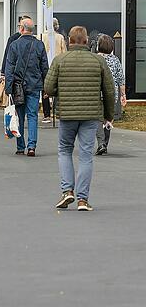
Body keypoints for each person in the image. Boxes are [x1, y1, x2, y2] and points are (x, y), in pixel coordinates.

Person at [44, 26, 115, 212]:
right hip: (91, 116)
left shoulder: (60, 60)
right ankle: (83, 200)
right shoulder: (98, 61)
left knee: (65, 151)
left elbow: (49, 88)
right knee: (85, 156)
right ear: (86, 42)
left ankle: (67, 190)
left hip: (67, 114)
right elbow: (109, 91)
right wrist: (109, 115)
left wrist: (62, 91)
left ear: (69, 41)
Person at [4, 18, 49, 157]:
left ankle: (20, 146)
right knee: (33, 116)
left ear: (22, 29)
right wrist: (46, 87)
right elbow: (44, 68)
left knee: (20, 116)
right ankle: (31, 146)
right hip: (34, 85)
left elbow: (9, 68)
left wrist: (8, 88)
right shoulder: (39, 45)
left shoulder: (14, 45)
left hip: (18, 86)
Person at [95, 34, 125, 155]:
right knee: (108, 119)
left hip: (98, 92)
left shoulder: (96, 59)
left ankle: (101, 143)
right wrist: (123, 95)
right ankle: (105, 143)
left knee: (98, 118)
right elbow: (120, 79)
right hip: (112, 94)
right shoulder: (115, 60)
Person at [40, 18, 67, 122]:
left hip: (45, 66)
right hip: (58, 66)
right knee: (58, 89)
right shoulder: (60, 37)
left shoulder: (42, 36)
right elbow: (64, 53)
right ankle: (57, 112)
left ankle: (46, 115)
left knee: (45, 89)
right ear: (56, 26)